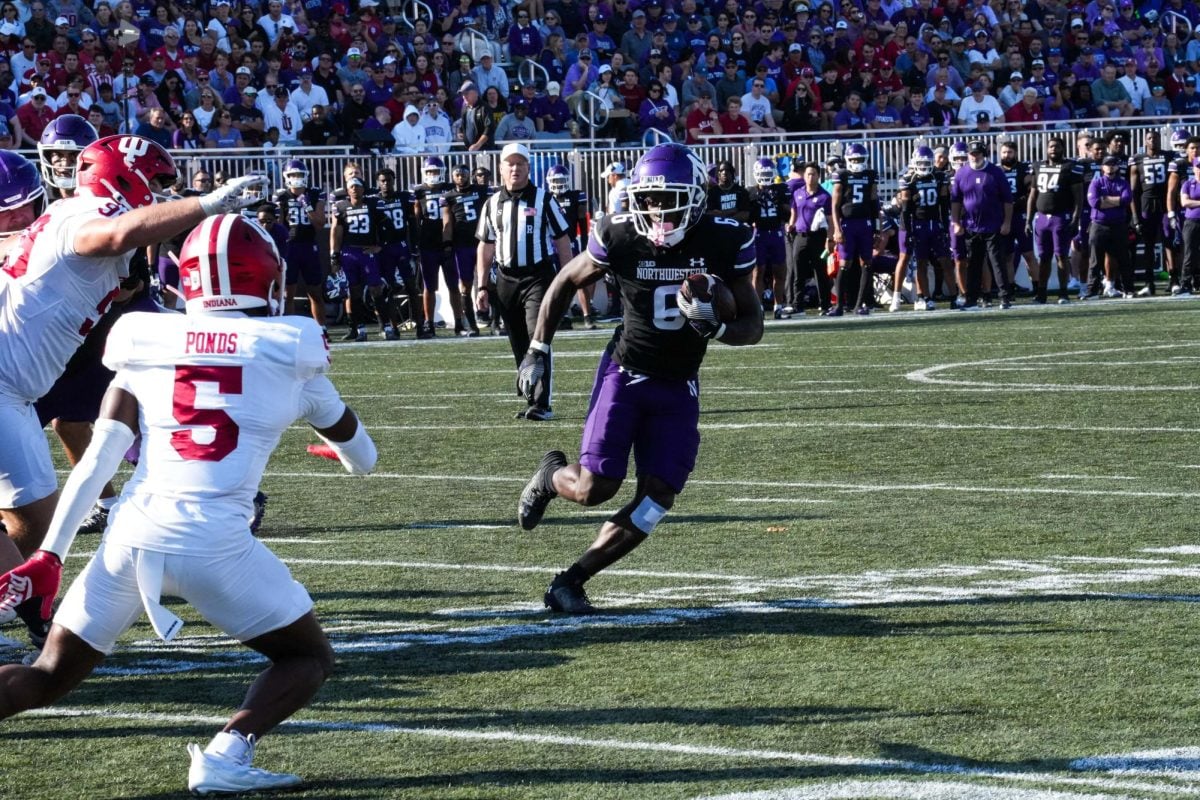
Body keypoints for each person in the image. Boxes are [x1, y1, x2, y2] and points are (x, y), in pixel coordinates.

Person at [0, 213, 377, 795]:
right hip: (216, 544)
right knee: (308, 657)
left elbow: (98, 460)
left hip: (131, 536)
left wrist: (51, 554)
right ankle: (227, 754)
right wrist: (340, 455)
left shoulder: (144, 341)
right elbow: (365, 457)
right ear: (268, 281)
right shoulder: (289, 351)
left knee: (47, 673)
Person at [0, 136, 264, 646]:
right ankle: (36, 616)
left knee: (38, 523)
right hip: (4, 383)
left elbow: (120, 276)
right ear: (124, 177)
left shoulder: (66, 215)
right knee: (35, 520)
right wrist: (206, 205)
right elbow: (118, 232)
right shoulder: (87, 215)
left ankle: (29, 605)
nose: (160, 197)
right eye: (156, 184)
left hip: (14, 391)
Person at [512, 142, 763, 614]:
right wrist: (539, 348)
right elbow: (567, 278)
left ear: (696, 196)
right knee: (593, 488)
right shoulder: (621, 233)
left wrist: (720, 327)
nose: (656, 210)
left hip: (680, 383)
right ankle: (549, 476)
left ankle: (571, 580)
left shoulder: (725, 238)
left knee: (657, 499)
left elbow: (753, 325)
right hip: (625, 373)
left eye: (668, 199)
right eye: (648, 198)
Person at [475, 142, 573, 422]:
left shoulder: (543, 199)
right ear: (501, 168)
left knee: (537, 336)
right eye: (510, 164)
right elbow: (485, 246)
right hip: (505, 278)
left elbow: (562, 240)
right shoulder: (492, 203)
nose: (515, 169)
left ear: (529, 168)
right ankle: (531, 394)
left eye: (520, 164)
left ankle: (542, 403)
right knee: (518, 340)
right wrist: (482, 286)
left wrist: (567, 278)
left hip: (537, 277)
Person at [951, 138, 1014, 310]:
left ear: (983, 154)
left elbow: (1007, 200)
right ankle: (971, 298)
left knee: (997, 262)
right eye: (971, 154)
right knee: (974, 263)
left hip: (993, 225)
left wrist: (1006, 222)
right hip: (971, 226)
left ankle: (1004, 296)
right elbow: (956, 201)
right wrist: (956, 222)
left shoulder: (995, 172)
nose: (974, 157)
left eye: (977, 153)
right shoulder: (961, 173)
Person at [330, 175, 393, 342]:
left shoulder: (372, 204)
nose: (354, 189)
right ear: (347, 189)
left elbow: (386, 224)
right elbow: (336, 232)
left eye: (357, 186)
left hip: (367, 252)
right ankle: (360, 329)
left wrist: (381, 244)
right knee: (354, 292)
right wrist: (334, 255)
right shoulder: (340, 206)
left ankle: (386, 326)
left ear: (363, 189)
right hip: (349, 253)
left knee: (376, 289)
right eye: (351, 186)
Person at [1027, 135, 1084, 305]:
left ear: (1063, 148)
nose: (1053, 149)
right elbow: (1032, 195)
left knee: (1061, 256)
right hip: (1042, 218)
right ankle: (1041, 293)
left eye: (1057, 146)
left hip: (1061, 217)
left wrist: (1075, 219)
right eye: (1051, 146)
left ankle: (1063, 292)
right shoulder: (1038, 166)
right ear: (1046, 148)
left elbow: (1078, 197)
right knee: (1044, 257)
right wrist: (1028, 219)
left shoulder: (1070, 167)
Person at [412, 156, 465, 337]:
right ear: (424, 173)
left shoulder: (449, 189)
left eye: (435, 171)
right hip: (428, 245)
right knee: (429, 287)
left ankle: (459, 322)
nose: (433, 175)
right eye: (429, 172)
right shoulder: (419, 192)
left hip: (448, 244)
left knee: (453, 286)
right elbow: (417, 218)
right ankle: (429, 323)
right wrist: (416, 244)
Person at [274, 158, 327, 329]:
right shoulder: (281, 196)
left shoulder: (314, 193)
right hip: (290, 247)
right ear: (286, 176)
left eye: (299, 174)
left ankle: (321, 329)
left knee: (315, 292)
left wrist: (307, 206)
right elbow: (279, 226)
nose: (296, 178)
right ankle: (289, 330)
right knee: (288, 293)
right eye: (293, 174)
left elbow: (319, 224)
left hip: (309, 245)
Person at [374, 167, 427, 339]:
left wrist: (415, 247)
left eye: (388, 180)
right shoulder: (374, 201)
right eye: (382, 180)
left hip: (401, 246)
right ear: (378, 182)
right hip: (384, 249)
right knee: (388, 290)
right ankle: (392, 328)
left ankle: (420, 326)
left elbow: (413, 224)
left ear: (394, 181)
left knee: (412, 287)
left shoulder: (404, 198)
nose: (386, 184)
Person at [891, 144, 945, 312]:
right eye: (920, 163)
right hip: (907, 222)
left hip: (925, 221)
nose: (923, 166)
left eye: (926, 162)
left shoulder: (936, 175)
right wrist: (908, 230)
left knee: (921, 260)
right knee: (904, 257)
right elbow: (904, 205)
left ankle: (923, 296)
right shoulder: (907, 176)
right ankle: (896, 297)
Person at [545, 163, 596, 329]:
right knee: (555, 281)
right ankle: (563, 316)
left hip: (571, 242)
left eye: (562, 179)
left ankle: (587, 316)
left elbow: (582, 220)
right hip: (551, 244)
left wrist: (585, 243)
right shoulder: (545, 198)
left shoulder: (576, 195)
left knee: (578, 279)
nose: (559, 183)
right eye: (556, 180)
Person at [830, 142, 879, 316]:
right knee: (844, 264)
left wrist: (877, 228)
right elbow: (834, 205)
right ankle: (839, 306)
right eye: (854, 159)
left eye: (860, 159)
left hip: (865, 223)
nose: (857, 162)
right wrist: (836, 228)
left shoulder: (870, 175)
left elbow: (874, 202)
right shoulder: (841, 175)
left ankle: (859, 304)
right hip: (847, 224)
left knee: (866, 263)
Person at [440, 164, 488, 337]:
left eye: (463, 174)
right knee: (465, 285)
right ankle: (472, 326)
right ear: (453, 177)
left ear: (470, 175)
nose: (460, 177)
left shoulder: (482, 191)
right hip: (462, 245)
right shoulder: (449, 197)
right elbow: (447, 222)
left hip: (482, 242)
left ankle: (496, 322)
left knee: (490, 282)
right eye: (457, 175)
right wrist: (447, 243)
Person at [1083, 155, 1134, 299]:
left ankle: (1128, 289)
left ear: (1117, 167)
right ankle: (1092, 290)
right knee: (1095, 260)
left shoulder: (1123, 182)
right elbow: (1094, 202)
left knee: (1124, 259)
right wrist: (1116, 201)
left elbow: (1126, 199)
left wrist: (1106, 199)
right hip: (1099, 225)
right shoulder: (1096, 183)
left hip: (1118, 225)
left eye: (1113, 164)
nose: (1110, 167)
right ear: (1102, 167)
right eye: (1107, 164)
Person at [786, 161, 832, 316]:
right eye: (808, 174)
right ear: (804, 176)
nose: (810, 177)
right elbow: (794, 212)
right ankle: (797, 305)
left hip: (818, 237)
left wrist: (829, 239)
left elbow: (831, 219)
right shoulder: (798, 193)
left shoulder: (825, 196)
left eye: (813, 174)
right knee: (797, 272)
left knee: (820, 272)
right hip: (800, 236)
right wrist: (791, 225)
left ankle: (825, 305)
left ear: (818, 176)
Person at [1129, 130, 1170, 296]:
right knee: (1148, 245)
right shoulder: (1137, 159)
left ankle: (1174, 280)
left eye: (1155, 138)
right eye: (1149, 138)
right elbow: (1133, 190)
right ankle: (1149, 282)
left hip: (1165, 204)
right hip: (1146, 205)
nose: (1153, 141)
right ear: (1145, 141)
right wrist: (1135, 215)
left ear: (1160, 140)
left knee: (1169, 242)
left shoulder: (1169, 156)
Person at [747, 157, 789, 317]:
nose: (765, 176)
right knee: (758, 271)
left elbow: (788, 211)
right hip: (759, 233)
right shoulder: (751, 192)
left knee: (779, 271)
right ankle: (758, 307)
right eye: (762, 173)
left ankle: (779, 306)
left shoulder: (780, 189)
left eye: (768, 172)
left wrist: (779, 202)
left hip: (776, 232)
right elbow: (748, 216)